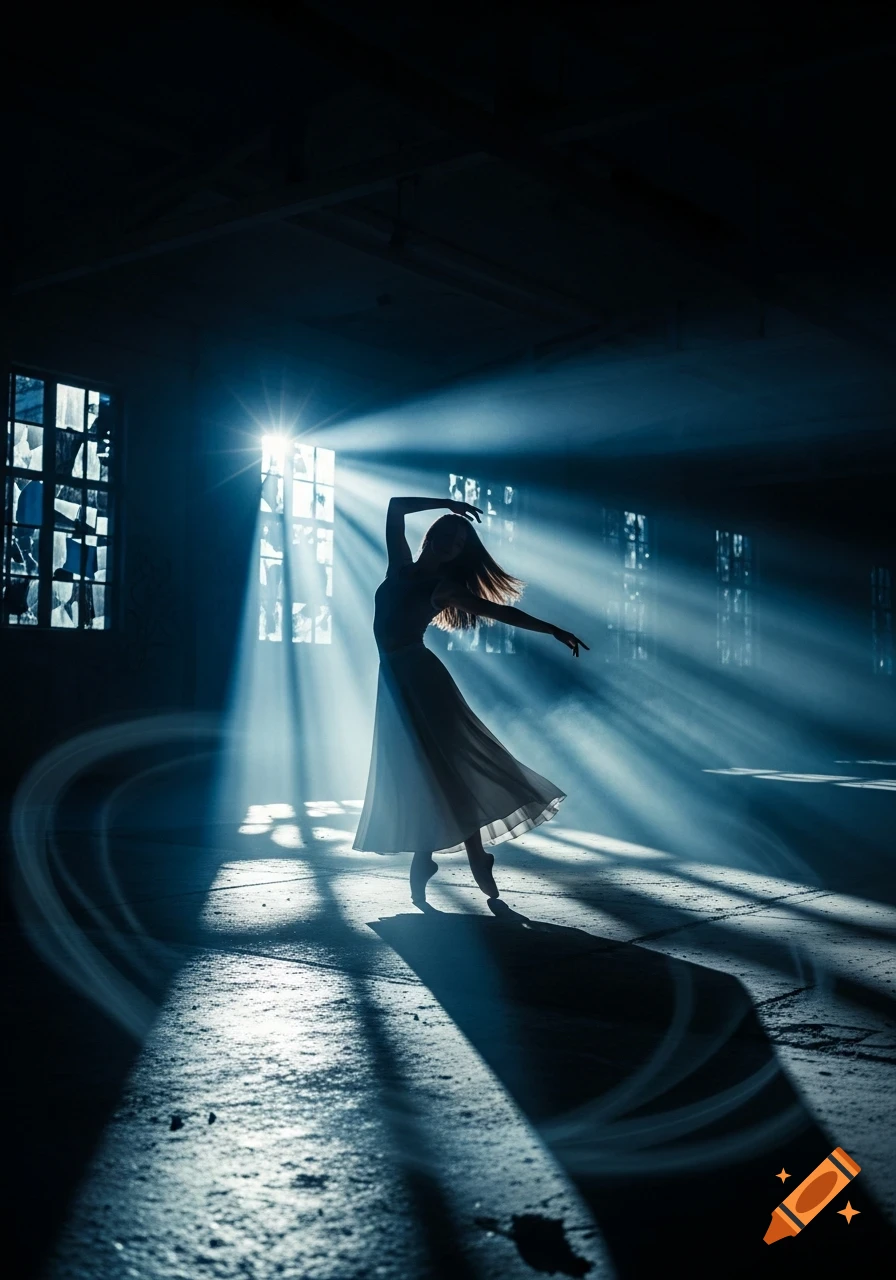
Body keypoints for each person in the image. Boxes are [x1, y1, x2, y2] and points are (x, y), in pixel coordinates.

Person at [352, 495, 588, 908]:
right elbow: (394, 507)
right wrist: (446, 502)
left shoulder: (442, 588)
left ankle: (473, 855)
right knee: (417, 771)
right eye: (446, 534)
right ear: (431, 536)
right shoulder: (400, 568)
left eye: (459, 543)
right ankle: (434, 857)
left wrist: (552, 629)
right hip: (393, 683)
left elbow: (500, 612)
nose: (450, 544)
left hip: (422, 681)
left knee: (446, 767)